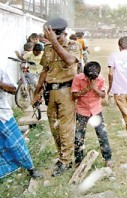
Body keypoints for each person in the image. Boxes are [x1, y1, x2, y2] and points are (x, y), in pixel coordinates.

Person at [32, 17, 81, 177]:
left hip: (66, 90)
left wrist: (55, 42)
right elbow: (45, 70)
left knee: (65, 127)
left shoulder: (73, 46)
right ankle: (63, 156)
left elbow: (69, 60)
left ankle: (66, 160)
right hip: (51, 92)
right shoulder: (47, 47)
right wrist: (37, 92)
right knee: (54, 127)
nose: (53, 39)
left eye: (57, 37)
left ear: (64, 34)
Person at [0, 68, 43, 179]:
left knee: (15, 143)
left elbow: (13, 89)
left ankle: (30, 168)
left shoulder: (1, 71)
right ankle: (4, 170)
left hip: (3, 115)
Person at [71, 61, 113, 167]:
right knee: (79, 136)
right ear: (85, 74)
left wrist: (95, 88)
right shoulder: (78, 78)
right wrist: (86, 89)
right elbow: (75, 95)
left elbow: (103, 95)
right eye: (88, 77)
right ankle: (78, 160)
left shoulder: (101, 79)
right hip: (82, 111)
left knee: (102, 135)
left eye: (93, 78)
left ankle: (108, 158)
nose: (91, 80)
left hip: (96, 110)